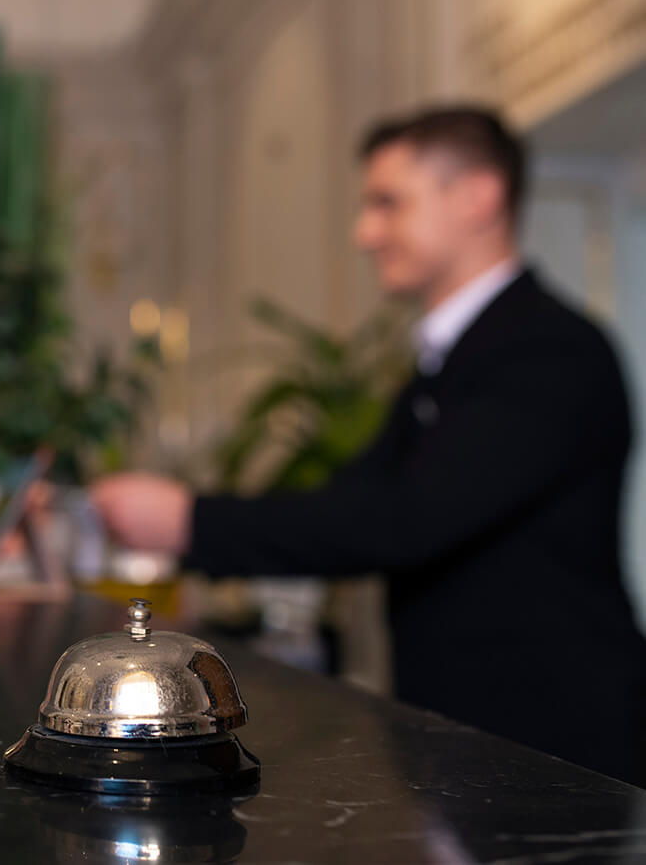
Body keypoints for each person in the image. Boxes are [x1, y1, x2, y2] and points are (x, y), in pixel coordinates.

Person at [90, 106, 646, 786]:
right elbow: (350, 501)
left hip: (560, 749)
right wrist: (186, 522)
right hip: (481, 747)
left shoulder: (551, 352)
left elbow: (402, 519)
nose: (364, 233)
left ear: (478, 197)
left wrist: (187, 521)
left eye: (388, 203)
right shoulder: (453, 360)